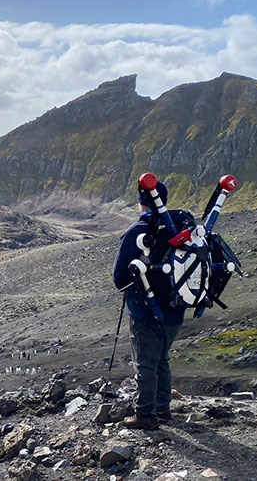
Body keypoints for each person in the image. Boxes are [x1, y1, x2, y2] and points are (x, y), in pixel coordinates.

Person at [113, 179, 189, 430]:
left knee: (145, 363)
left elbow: (119, 277)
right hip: (176, 308)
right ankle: (163, 410)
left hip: (146, 310)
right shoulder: (180, 230)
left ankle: (146, 415)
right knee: (161, 359)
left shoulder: (139, 231)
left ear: (141, 202)